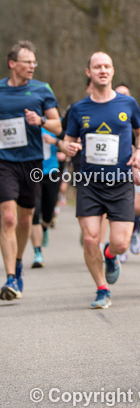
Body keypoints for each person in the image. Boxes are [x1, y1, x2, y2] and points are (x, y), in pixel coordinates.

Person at [63, 52, 140, 309]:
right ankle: (102, 288)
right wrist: (68, 147)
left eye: (107, 66)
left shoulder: (128, 103)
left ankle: (110, 255)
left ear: (113, 71)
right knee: (90, 238)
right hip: (89, 182)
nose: (102, 70)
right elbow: (68, 140)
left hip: (120, 182)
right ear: (88, 72)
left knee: (121, 243)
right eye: (97, 66)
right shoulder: (78, 109)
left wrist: (139, 152)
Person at [0, 40, 61, 301]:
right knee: (8, 218)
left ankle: (18, 262)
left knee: (26, 219)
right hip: (4, 162)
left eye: (34, 62)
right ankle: (10, 278)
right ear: (13, 64)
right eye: (28, 62)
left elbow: (58, 126)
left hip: (33, 162)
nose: (33, 66)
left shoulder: (41, 90)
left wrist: (41, 120)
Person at [30, 128, 62, 267]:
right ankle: (38, 253)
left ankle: (45, 228)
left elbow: (66, 142)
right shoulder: (28, 125)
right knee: (34, 213)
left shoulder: (54, 125)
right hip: (32, 172)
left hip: (52, 172)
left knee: (48, 214)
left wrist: (56, 142)